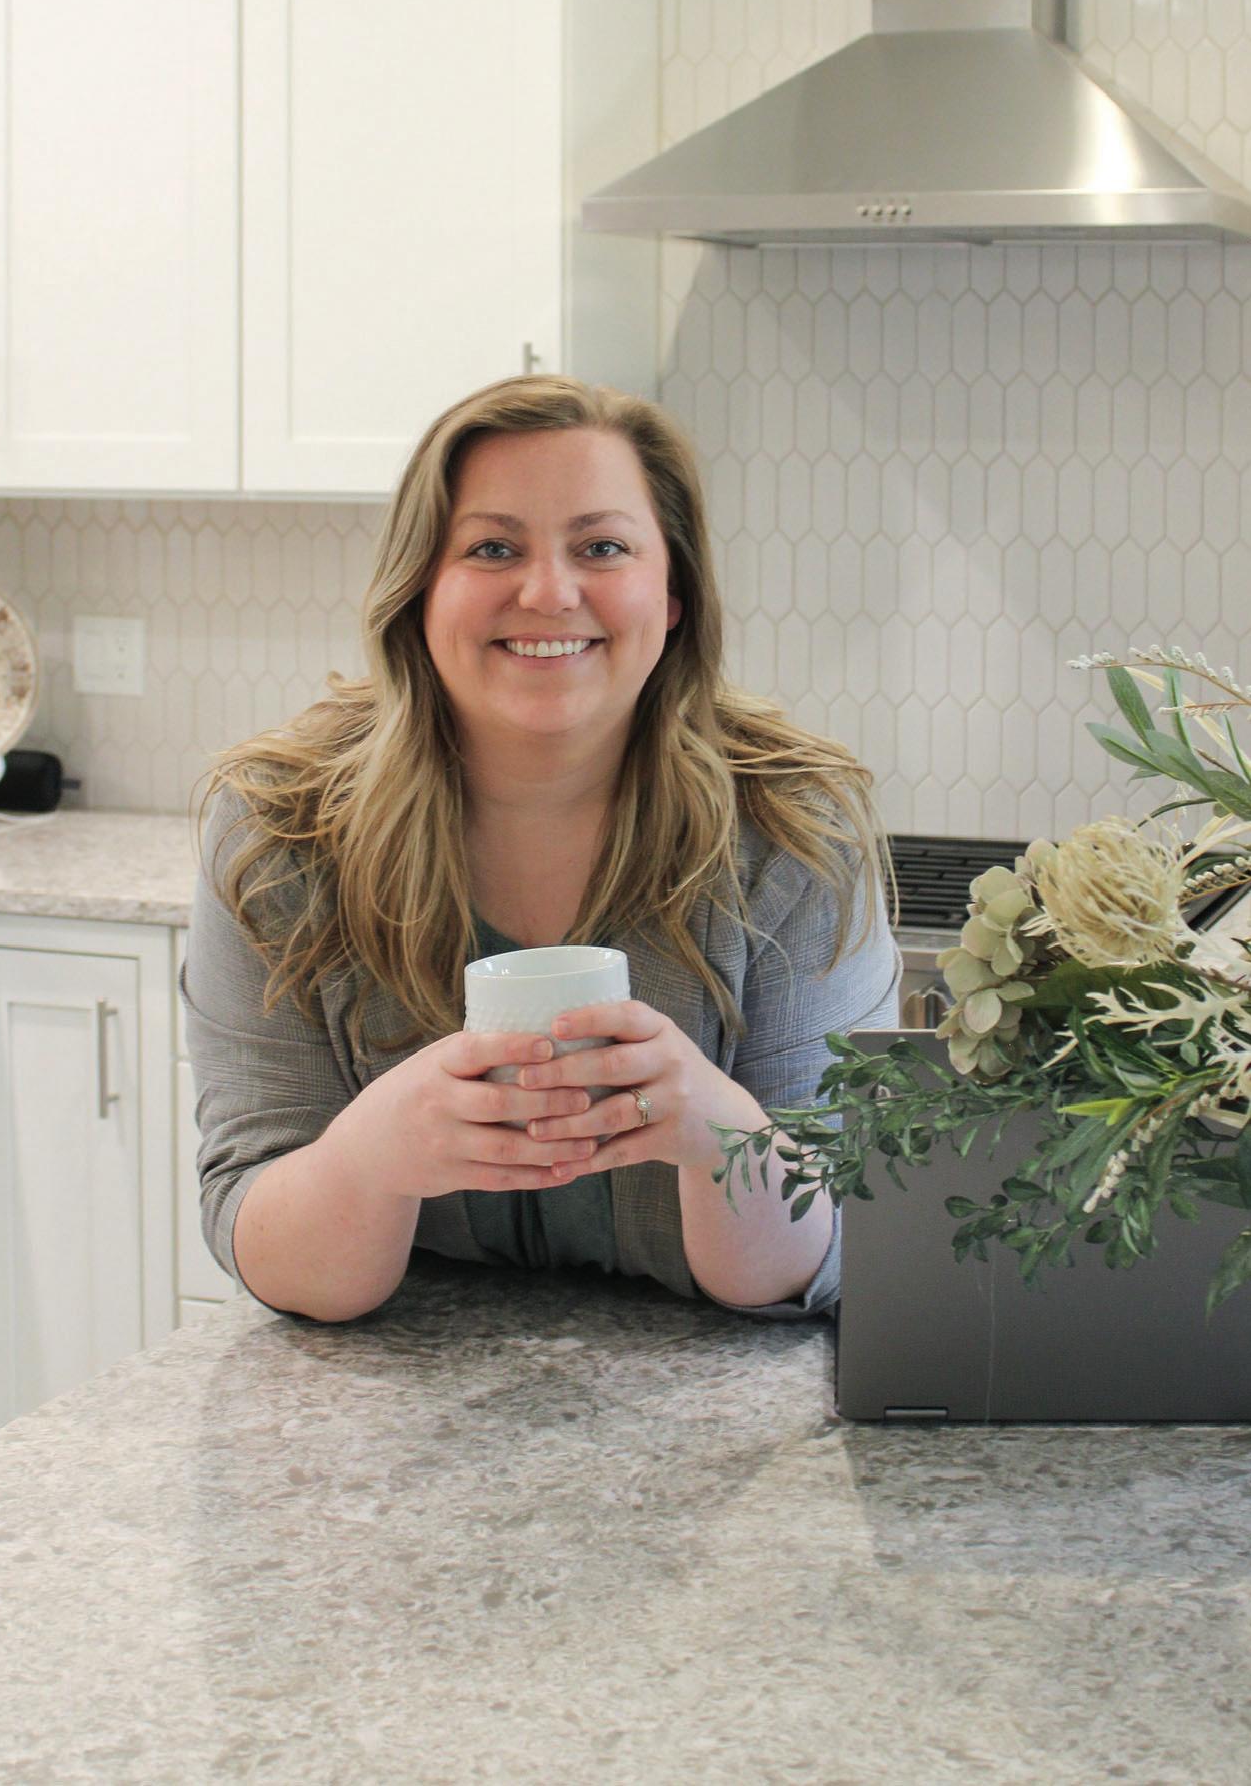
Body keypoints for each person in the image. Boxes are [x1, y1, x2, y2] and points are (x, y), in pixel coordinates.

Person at [180, 374, 902, 1324]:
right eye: (492, 548)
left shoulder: (794, 827)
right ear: (421, 589)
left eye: (602, 547)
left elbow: (830, 1245)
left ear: (673, 592)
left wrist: (713, 1130)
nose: (550, 592)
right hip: (393, 1391)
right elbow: (272, 1246)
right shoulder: (279, 827)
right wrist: (373, 1155)